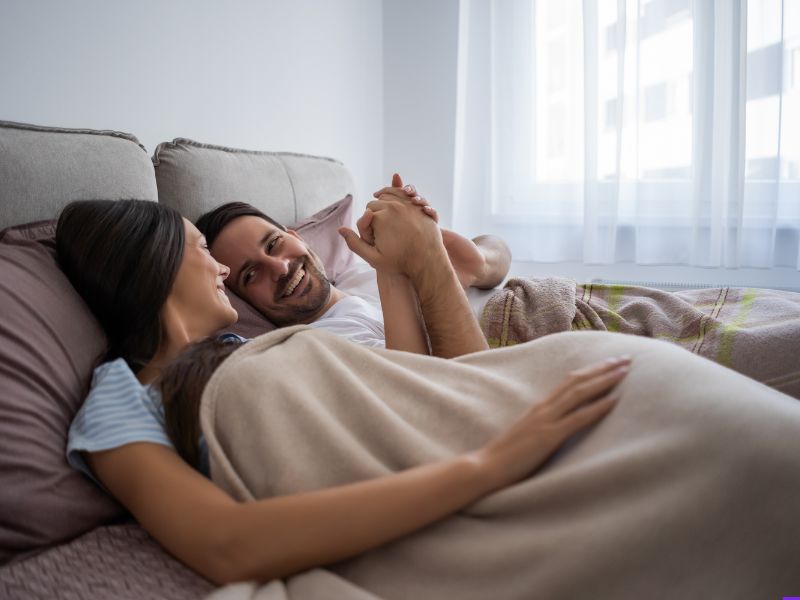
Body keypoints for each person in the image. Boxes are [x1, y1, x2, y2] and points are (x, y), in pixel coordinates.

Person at [55, 196, 629, 584]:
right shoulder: (120, 397)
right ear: (158, 264)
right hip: (462, 472)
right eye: (205, 252)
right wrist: (488, 465)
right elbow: (224, 542)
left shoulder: (240, 347)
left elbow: (407, 391)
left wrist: (394, 270)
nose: (226, 270)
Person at [195, 174, 512, 354]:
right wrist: (417, 265)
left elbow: (499, 250)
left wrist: (479, 263)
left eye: (274, 244)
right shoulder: (318, 344)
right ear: (245, 302)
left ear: (297, 236)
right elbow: (432, 390)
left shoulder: (357, 276)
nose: (279, 268)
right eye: (251, 274)